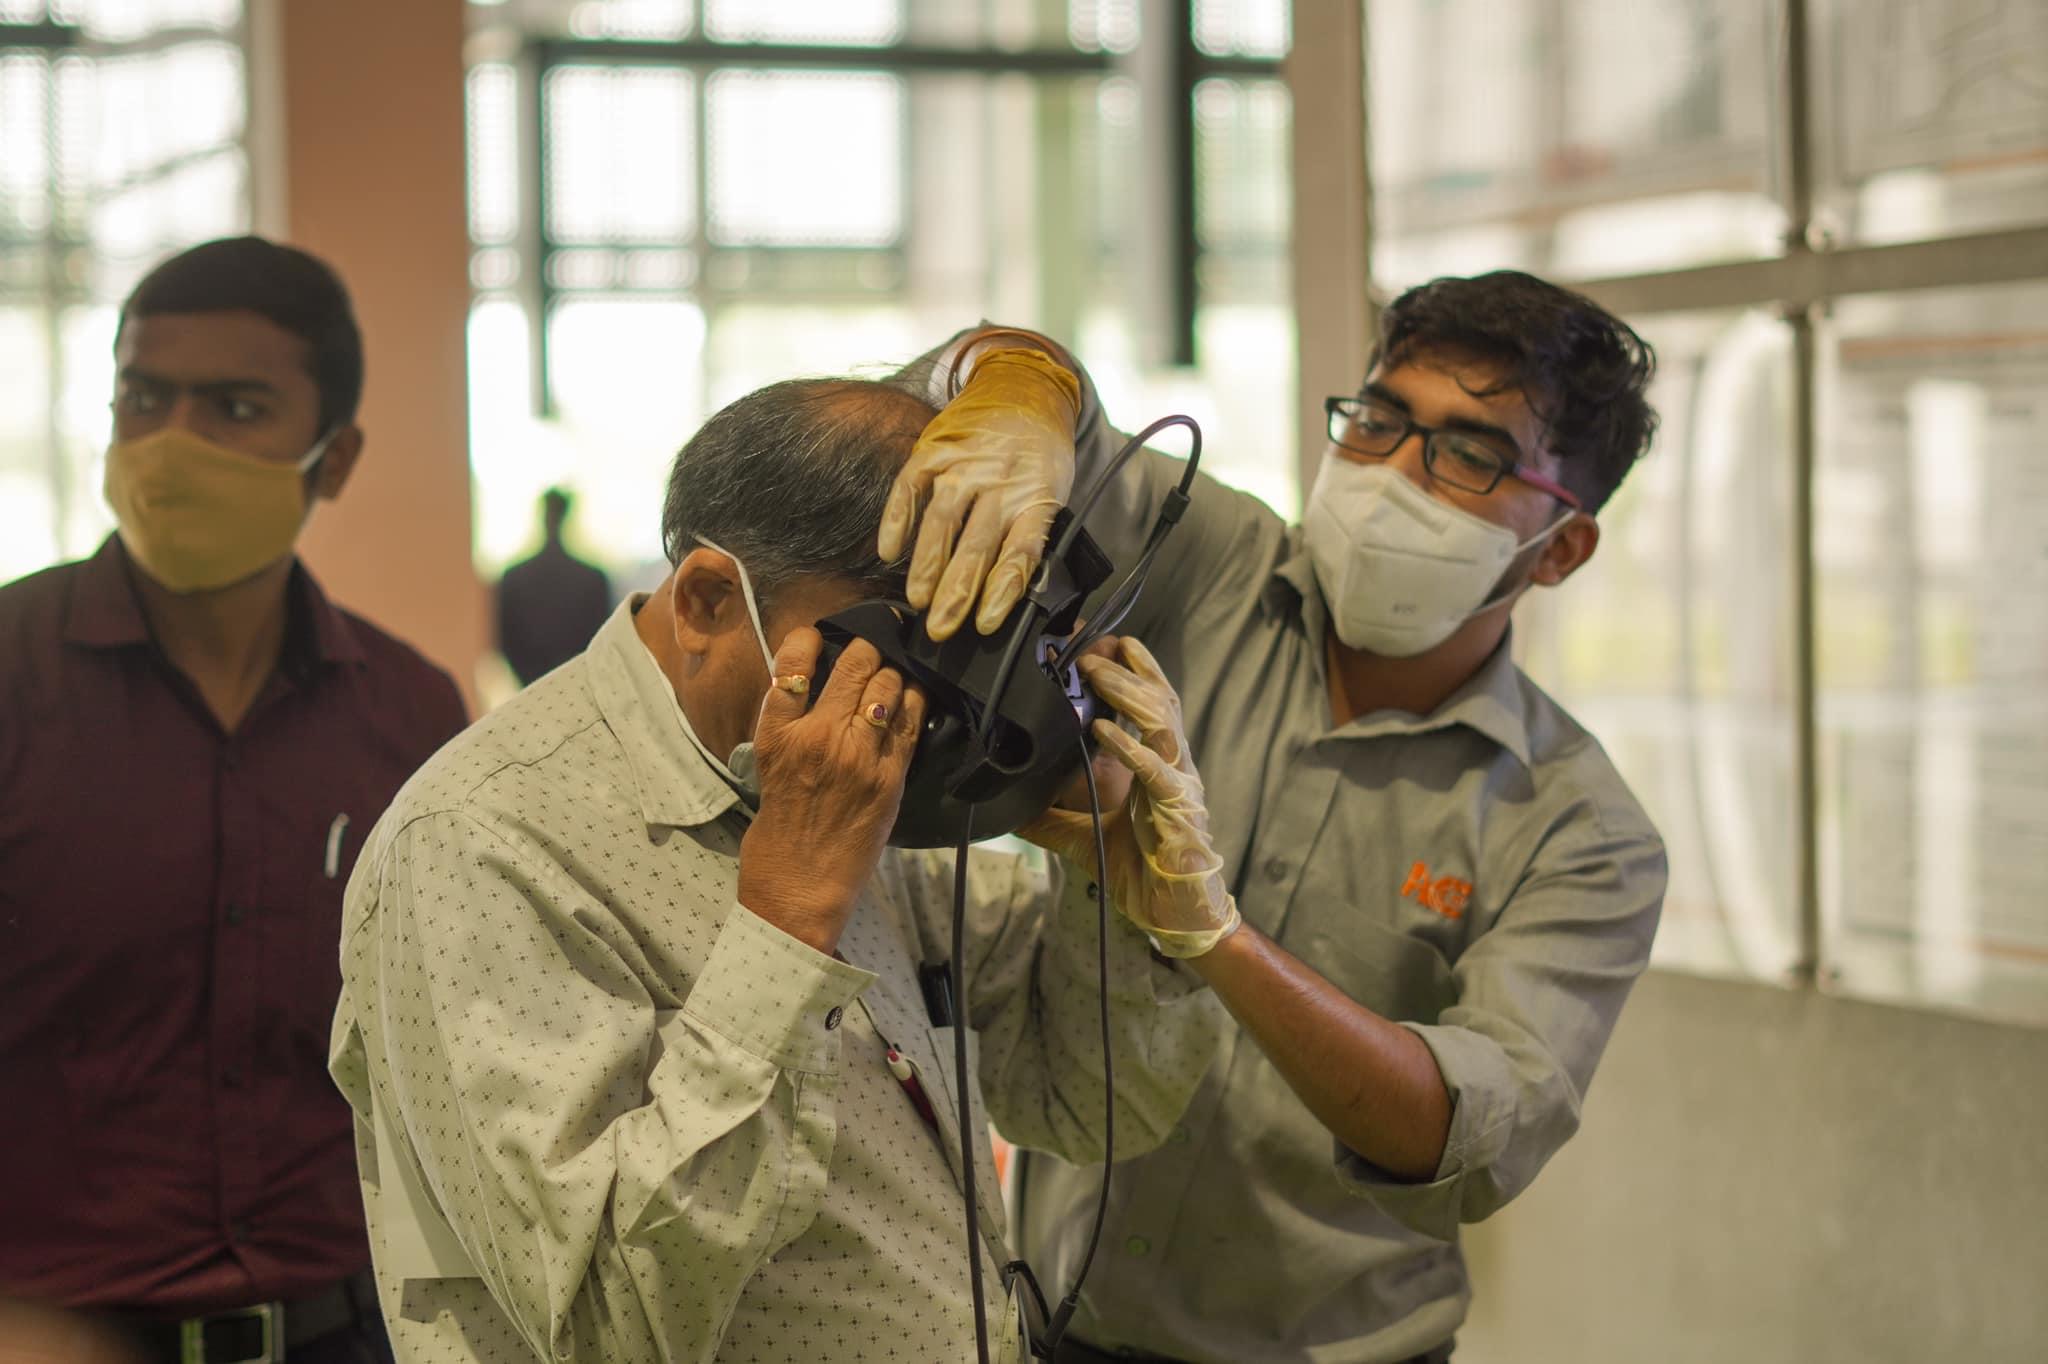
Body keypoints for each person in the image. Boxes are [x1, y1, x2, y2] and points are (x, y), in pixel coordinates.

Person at [327, 376, 1224, 1362]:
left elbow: (1086, 1103)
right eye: (910, 642)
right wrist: (787, 921)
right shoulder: (480, 842)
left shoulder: (852, 787)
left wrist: (1114, 886)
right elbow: (606, 1326)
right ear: (709, 600)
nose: (934, 703)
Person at [881, 272, 1670, 1363]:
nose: (1394, 473)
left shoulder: (1579, 828)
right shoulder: (1215, 561)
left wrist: (1216, 936)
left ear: (1562, 548)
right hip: (1054, 1322)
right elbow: (1061, 420)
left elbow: (1468, 1138)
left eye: (1468, 454)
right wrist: (1020, 383)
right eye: (1380, 420)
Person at [0, 237, 468, 1362]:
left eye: (235, 407)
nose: (174, 442)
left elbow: (450, 1046)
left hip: (345, 1330)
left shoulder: (407, 713)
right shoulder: (12, 676)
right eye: (143, 398)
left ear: (334, 457)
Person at [494, 487, 611, 686]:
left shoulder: (515, 576)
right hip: (575, 682)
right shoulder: (592, 577)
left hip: (532, 683)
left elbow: (506, 641)